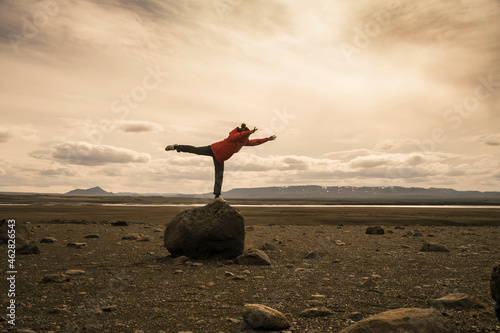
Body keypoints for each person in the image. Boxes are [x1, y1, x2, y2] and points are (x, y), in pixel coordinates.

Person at [165, 123, 276, 201]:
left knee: (219, 175)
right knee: (195, 150)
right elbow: (237, 135)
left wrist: (267, 139)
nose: (247, 137)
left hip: (220, 158)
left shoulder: (242, 142)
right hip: (213, 149)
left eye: (248, 136)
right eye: (247, 135)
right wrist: (248, 132)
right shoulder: (233, 137)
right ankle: (176, 147)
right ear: (244, 133)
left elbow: (254, 142)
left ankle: (217, 196)